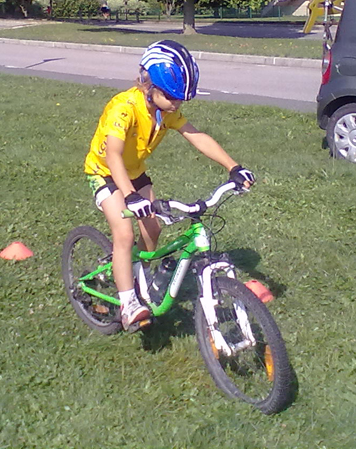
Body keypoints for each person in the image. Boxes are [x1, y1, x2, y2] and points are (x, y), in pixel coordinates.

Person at [84, 40, 255, 331]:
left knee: (152, 229)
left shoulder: (166, 110)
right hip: (105, 173)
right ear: (148, 85)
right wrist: (130, 196)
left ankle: (138, 275)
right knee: (124, 234)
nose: (175, 104)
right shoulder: (123, 108)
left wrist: (234, 167)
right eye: (171, 97)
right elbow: (113, 155)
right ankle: (128, 303)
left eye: (180, 100)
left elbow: (197, 136)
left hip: (135, 172)